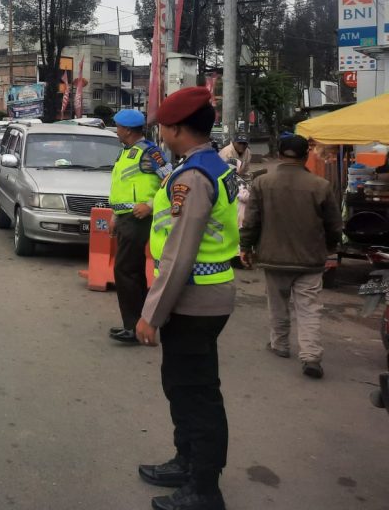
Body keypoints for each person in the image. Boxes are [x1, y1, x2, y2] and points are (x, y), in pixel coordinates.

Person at [135, 87, 238, 510]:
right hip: (202, 296)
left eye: (163, 125)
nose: (160, 132)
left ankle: (205, 488)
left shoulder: (193, 177)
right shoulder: (211, 165)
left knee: (197, 394)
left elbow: (179, 254)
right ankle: (187, 461)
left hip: (195, 299)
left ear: (177, 128)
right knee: (181, 385)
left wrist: (150, 316)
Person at [239, 134, 341, 379]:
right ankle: (311, 355)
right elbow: (334, 225)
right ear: (306, 155)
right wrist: (328, 248)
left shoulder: (262, 183)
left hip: (273, 256)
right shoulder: (321, 185)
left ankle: (280, 345)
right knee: (309, 309)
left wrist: (246, 247)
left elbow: (251, 221)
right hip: (310, 259)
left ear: (280, 153)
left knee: (277, 304)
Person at [107, 109, 171, 344]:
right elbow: (121, 187)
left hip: (140, 219)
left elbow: (171, 182)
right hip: (126, 218)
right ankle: (142, 323)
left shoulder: (150, 153)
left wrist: (151, 205)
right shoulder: (126, 153)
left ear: (127, 130)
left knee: (125, 271)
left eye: (118, 127)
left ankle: (134, 327)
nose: (116, 131)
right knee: (130, 271)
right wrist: (115, 215)